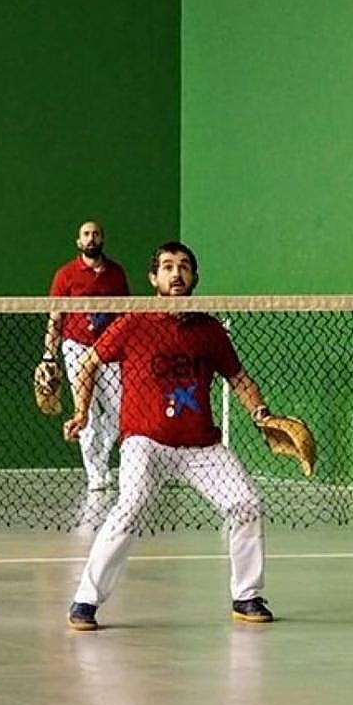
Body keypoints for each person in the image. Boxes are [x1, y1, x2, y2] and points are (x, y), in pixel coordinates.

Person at [64, 241, 281, 631]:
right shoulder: (133, 322)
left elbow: (238, 378)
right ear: (154, 278)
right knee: (130, 507)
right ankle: (85, 600)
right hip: (145, 441)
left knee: (246, 503)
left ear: (194, 277)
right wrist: (81, 411)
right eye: (167, 267)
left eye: (183, 267)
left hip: (201, 446)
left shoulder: (209, 329)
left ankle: (246, 595)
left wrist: (261, 413)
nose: (176, 273)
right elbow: (89, 362)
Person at [44, 221, 130, 525]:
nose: (91, 238)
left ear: (103, 238)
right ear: (78, 241)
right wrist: (48, 355)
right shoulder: (65, 275)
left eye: (95, 233)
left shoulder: (117, 273)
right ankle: (96, 474)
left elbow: (125, 316)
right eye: (85, 234)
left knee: (122, 412)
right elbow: (56, 317)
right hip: (76, 349)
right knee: (88, 415)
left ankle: (104, 459)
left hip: (110, 350)